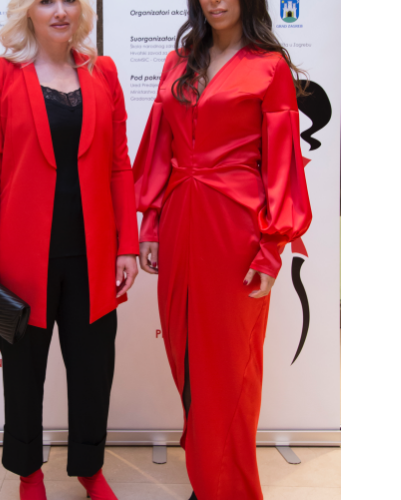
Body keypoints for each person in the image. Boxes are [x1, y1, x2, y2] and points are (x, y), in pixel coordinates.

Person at [132, 0, 314, 498]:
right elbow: (159, 145)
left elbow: (283, 163)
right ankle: (206, 472)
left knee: (231, 366)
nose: (215, 1)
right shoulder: (178, 61)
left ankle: (227, 487)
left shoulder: (269, 67)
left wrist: (272, 248)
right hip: (179, 220)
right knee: (186, 357)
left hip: (237, 229)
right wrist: (150, 224)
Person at [0, 0, 139, 498]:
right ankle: (29, 473)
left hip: (93, 255)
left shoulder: (104, 72)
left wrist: (126, 245)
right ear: (28, 12)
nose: (60, 10)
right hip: (23, 258)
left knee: (93, 373)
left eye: (69, 0)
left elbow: (119, 165)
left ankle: (90, 469)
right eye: (46, 1)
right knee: (23, 376)